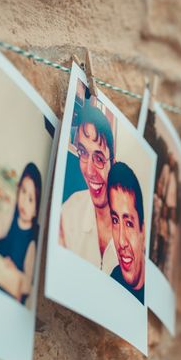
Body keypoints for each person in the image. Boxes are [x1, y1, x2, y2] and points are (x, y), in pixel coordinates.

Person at [59, 101, 118, 274]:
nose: (89, 170)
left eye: (99, 158)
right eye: (83, 153)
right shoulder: (69, 210)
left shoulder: (129, 224)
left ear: (112, 164)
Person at [0, 162, 42, 305]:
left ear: (36, 209)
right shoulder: (11, 217)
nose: (24, 202)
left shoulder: (33, 240)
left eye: (31, 199)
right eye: (23, 191)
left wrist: (15, 273)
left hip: (11, 296)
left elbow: (28, 285)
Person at [107, 162, 145, 304]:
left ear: (143, 231)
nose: (121, 242)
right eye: (115, 220)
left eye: (129, 223)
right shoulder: (112, 280)